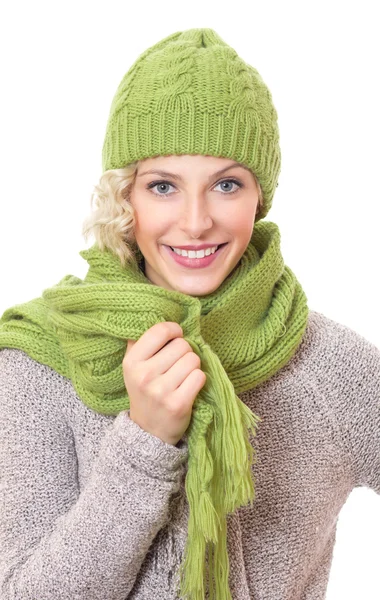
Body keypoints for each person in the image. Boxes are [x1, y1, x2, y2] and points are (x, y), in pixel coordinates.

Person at [0, 27, 378, 600]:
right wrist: (145, 441)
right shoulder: (39, 364)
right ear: (124, 197)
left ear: (260, 196)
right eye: (163, 186)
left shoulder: (330, 367)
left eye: (227, 184)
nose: (196, 221)